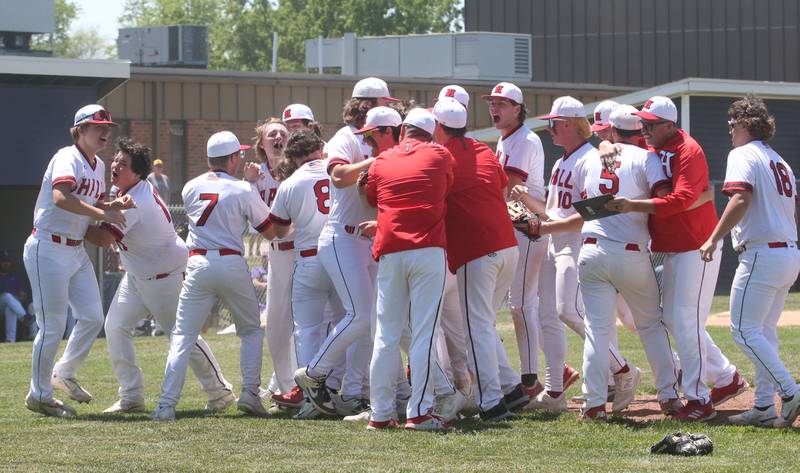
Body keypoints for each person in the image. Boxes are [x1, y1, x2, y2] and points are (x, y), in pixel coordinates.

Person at [608, 96, 748, 421]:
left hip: (697, 246)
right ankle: (726, 378)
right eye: (643, 122)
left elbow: (681, 199)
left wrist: (633, 205)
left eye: (651, 124)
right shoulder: (654, 148)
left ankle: (700, 399)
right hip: (672, 246)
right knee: (674, 319)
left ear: (670, 125)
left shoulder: (689, 150)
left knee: (685, 321)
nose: (645, 128)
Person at [540, 105, 679, 419]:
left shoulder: (595, 157)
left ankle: (592, 405)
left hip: (590, 248)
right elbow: (665, 196)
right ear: (639, 132)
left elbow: (591, 198)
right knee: (650, 325)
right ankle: (669, 395)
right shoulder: (647, 158)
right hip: (631, 251)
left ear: (613, 132)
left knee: (596, 330)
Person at [85, 137, 235, 414]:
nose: (115, 165)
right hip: (137, 275)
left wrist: (71, 222)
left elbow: (104, 237)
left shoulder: (135, 199)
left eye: (124, 163)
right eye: (116, 159)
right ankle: (131, 396)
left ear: (139, 173)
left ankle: (220, 391)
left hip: (165, 276)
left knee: (182, 338)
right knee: (115, 327)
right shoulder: (126, 189)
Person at [517, 97, 639, 413]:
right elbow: (553, 212)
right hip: (555, 241)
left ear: (570, 123)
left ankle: (623, 370)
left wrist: (544, 228)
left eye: (554, 123)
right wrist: (526, 205)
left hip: (575, 244)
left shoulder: (590, 158)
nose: (550, 129)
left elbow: (590, 211)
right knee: (548, 315)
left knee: (568, 311)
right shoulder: (561, 162)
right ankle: (555, 391)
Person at [293, 77, 397, 414]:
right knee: (360, 315)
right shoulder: (345, 137)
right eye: (384, 102)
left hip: (371, 238)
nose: (389, 107)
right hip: (342, 237)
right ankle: (314, 373)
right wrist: (376, 161)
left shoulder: (385, 136)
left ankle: (354, 391)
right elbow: (337, 176)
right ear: (367, 104)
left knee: (370, 320)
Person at [152, 131, 271, 421]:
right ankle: (250, 394)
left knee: (182, 336)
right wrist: (253, 186)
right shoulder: (243, 188)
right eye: (238, 155)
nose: (240, 159)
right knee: (251, 330)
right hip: (229, 262)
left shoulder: (191, 186)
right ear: (231, 158)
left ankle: (166, 405)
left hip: (198, 263)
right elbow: (268, 228)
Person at [23, 104, 131, 418]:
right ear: (80, 129)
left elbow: (92, 199)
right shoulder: (66, 156)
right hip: (48, 246)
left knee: (92, 317)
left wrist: (112, 203)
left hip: (75, 250)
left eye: (108, 127)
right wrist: (102, 212)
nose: (106, 132)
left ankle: (64, 372)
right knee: (52, 326)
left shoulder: (97, 165)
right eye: (99, 126)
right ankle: (39, 395)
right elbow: (61, 197)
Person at [699, 96, 800, 428]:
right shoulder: (779, 160)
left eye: (731, 124)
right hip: (787, 250)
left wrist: (713, 236)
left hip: (762, 252)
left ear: (744, 124)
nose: (729, 131)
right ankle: (762, 407)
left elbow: (741, 197)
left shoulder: (742, 154)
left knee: (742, 329)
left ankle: (790, 391)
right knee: (764, 331)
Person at [434, 98, 528, 421]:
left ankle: (491, 400)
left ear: (437, 127)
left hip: (478, 251)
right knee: (484, 324)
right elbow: (502, 186)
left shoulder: (440, 158)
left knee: (476, 328)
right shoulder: (483, 149)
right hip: (507, 247)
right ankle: (512, 387)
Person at [364, 107, 454, 431]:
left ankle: (380, 413)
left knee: (386, 335)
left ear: (403, 130)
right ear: (430, 133)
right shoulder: (439, 154)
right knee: (424, 333)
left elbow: (371, 195)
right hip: (427, 248)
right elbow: (446, 189)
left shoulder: (382, 160)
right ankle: (419, 410)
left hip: (390, 250)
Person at [485, 81, 572, 400]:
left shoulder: (524, 139)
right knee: (523, 305)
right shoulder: (506, 139)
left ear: (519, 109)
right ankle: (542, 373)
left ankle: (531, 379)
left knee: (523, 305)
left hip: (529, 228)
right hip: (517, 228)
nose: (494, 108)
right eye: (492, 103)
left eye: (502, 103)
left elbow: (509, 186)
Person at [246, 118, 300, 408]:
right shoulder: (257, 177)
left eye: (283, 133)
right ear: (262, 144)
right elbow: (255, 216)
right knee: (277, 322)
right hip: (279, 252)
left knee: (305, 321)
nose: (279, 137)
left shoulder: (300, 168)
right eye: (272, 134)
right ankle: (282, 383)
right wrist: (251, 185)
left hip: (305, 252)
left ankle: (296, 385)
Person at [0, 250, 29, 343]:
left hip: (12, 306)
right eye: (3, 261)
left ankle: (10, 340)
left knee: (10, 308)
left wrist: (17, 298)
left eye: (8, 261)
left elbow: (23, 296)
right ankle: (24, 317)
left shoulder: (14, 277)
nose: (6, 263)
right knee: (6, 296)